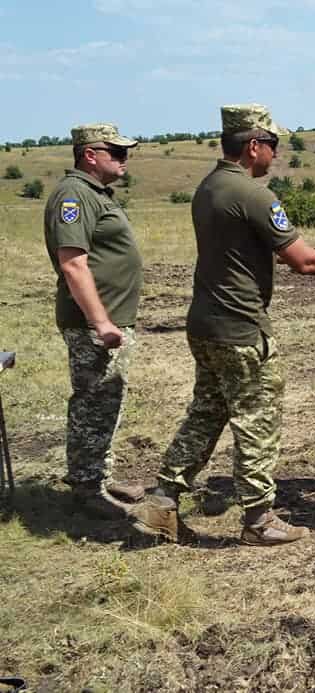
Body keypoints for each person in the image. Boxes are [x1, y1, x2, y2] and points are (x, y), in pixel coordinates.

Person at [129, 104, 315, 545]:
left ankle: (162, 501)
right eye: (273, 145)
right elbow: (302, 263)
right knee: (257, 419)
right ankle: (259, 520)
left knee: (206, 414)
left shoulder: (210, 187)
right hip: (241, 329)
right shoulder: (253, 194)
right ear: (253, 145)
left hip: (205, 323)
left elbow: (260, 249)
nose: (276, 155)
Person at [43, 123, 146, 518]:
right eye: (116, 152)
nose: (124, 159)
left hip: (108, 319)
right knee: (93, 402)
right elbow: (73, 263)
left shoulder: (92, 193)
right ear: (90, 155)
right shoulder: (74, 195)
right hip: (94, 324)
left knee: (107, 400)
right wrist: (100, 321)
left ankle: (98, 476)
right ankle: (87, 488)